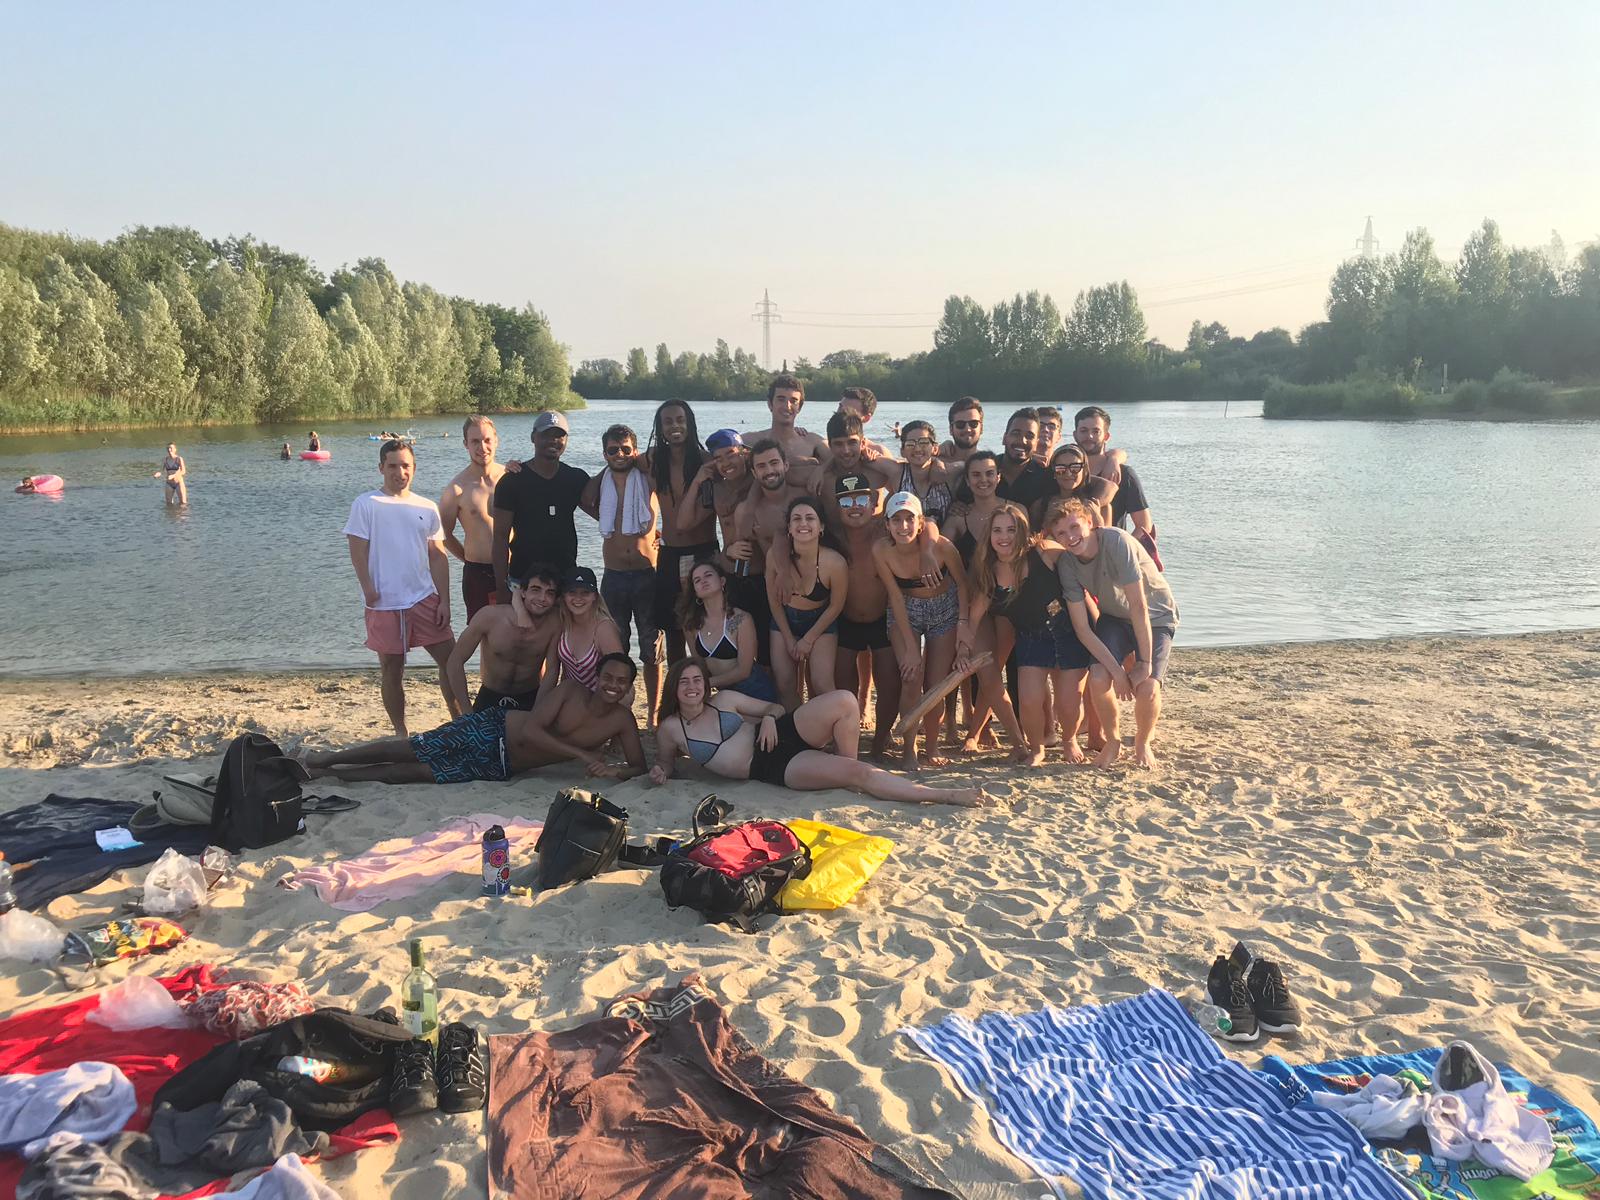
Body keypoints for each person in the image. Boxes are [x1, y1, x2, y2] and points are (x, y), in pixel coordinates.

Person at [650, 659, 988, 805]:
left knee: (845, 700)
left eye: (697, 680)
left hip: (783, 730)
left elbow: (775, 708)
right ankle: (944, 794)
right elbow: (666, 763)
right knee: (859, 773)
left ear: (705, 683)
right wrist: (660, 772)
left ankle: (843, 766)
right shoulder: (670, 729)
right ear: (674, 688)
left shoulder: (724, 699)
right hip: (771, 766)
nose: (692, 687)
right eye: (684, 682)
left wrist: (767, 719)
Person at [303, 653, 646, 784]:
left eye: (621, 681)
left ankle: (332, 776)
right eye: (608, 677)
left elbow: (638, 766)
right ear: (596, 677)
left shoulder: (622, 720)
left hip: (502, 766)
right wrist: (583, 754)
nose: (613, 686)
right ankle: (328, 758)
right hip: (492, 728)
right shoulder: (570, 691)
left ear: (630, 686)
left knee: (415, 773)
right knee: (412, 749)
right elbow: (532, 730)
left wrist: (614, 771)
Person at [1051, 497, 1179, 769]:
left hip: (1156, 616)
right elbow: (1082, 629)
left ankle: (1143, 743)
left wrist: (1144, 662)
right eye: (1061, 533)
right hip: (1114, 617)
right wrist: (1118, 672)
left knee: (1148, 686)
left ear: (1089, 522)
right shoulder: (1067, 564)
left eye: (1074, 527)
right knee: (1099, 677)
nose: (1070, 537)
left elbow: (1139, 605)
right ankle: (1113, 740)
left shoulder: (1116, 542)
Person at [343, 439, 459, 736]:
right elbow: (357, 550)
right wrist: (368, 588)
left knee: (451, 661)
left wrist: (445, 600)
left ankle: (459, 721)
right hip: (384, 602)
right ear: (381, 468)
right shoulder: (366, 504)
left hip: (423, 597)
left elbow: (437, 556)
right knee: (392, 669)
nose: (400, 472)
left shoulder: (427, 507)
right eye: (393, 466)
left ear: (414, 468)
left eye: (405, 466)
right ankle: (400, 732)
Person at [967, 501, 1085, 765]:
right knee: (1029, 700)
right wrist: (963, 648)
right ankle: (1036, 748)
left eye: (1011, 529)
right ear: (989, 535)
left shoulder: (1044, 552)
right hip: (1031, 637)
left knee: (1068, 702)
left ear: (1022, 531)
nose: (1005, 537)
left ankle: (1069, 740)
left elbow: (1082, 561)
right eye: (998, 530)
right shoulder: (989, 570)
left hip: (1066, 631)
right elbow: (974, 617)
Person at [873, 492, 970, 770]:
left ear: (920, 523)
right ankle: (909, 749)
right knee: (911, 678)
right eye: (896, 520)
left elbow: (963, 585)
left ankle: (932, 746)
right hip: (906, 609)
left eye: (909, 519)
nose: (903, 526)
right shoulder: (881, 550)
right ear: (887, 524)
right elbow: (894, 596)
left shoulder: (942, 547)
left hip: (944, 608)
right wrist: (911, 649)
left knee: (936, 685)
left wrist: (963, 625)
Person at [581, 423, 662, 717]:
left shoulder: (648, 479)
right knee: (616, 648)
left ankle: (652, 713)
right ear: (604, 453)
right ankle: (616, 709)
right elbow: (583, 500)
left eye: (626, 449)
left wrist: (638, 461)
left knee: (652, 649)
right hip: (613, 576)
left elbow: (662, 463)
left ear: (635, 450)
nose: (619, 455)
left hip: (647, 574)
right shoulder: (600, 484)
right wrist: (605, 518)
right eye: (613, 450)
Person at [642, 400, 719, 666]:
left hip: (703, 551)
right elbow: (619, 460)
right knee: (673, 628)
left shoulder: (706, 461)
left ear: (690, 423)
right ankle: (678, 681)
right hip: (669, 553)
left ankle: (711, 679)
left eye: (680, 420)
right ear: (660, 427)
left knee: (707, 622)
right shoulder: (653, 460)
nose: (674, 426)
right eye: (668, 421)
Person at [833, 474, 900, 759]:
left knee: (890, 682)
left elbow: (898, 481)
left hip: (882, 619)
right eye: (846, 501)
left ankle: (881, 738)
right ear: (836, 507)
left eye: (861, 499)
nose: (854, 507)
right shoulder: (832, 537)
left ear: (874, 504)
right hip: (845, 619)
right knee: (842, 684)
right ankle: (846, 736)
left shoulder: (885, 532)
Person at [492, 411, 589, 600]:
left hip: (565, 579)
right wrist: (501, 588)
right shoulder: (511, 481)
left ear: (566, 440)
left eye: (559, 435)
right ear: (533, 437)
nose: (553, 440)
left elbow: (604, 513)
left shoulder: (576, 478)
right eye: (546, 435)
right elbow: (500, 537)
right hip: (522, 580)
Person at [766, 495, 848, 709]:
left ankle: (830, 728)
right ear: (789, 528)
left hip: (821, 622)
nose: (803, 523)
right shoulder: (774, 557)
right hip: (784, 620)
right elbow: (773, 602)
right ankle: (796, 726)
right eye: (797, 519)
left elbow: (836, 606)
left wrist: (808, 640)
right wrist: (788, 638)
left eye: (810, 518)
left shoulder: (835, 562)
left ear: (821, 527)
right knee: (785, 683)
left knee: (822, 683)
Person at [444, 568, 562, 714]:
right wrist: (466, 709)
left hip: (530, 697)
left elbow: (552, 671)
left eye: (550, 593)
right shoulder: (490, 617)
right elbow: (455, 661)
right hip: (490, 695)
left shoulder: (554, 625)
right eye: (535, 590)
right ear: (522, 592)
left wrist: (538, 710)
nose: (542, 598)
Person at [679, 558, 778, 703]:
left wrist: (707, 683)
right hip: (723, 694)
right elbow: (700, 665)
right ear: (695, 591)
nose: (703, 581)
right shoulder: (692, 624)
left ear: (722, 581)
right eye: (697, 580)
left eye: (708, 575)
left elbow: (744, 671)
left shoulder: (739, 619)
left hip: (753, 690)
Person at [440, 416, 508, 621]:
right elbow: (443, 535)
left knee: (524, 630)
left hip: (515, 569)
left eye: (487, 440)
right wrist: (467, 558)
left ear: (496, 441)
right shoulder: (456, 489)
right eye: (475, 441)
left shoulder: (511, 478)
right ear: (466, 444)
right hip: (479, 573)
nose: (482, 447)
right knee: (484, 633)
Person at [540, 566, 625, 698]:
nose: (578, 598)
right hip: (569, 697)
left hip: (599, 697)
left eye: (585, 593)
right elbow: (552, 671)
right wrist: (540, 704)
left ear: (595, 596)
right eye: (572, 592)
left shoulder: (603, 629)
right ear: (564, 596)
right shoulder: (562, 623)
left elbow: (620, 674)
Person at [812, 410, 901, 534]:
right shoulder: (823, 481)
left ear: (862, 443)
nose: (846, 450)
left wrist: (876, 461)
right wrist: (821, 468)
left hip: (876, 540)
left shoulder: (877, 473)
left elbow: (903, 474)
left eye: (852, 442)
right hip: (836, 542)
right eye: (838, 444)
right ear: (830, 446)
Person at [1073, 406, 1151, 539]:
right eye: (1084, 431)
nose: (1089, 436)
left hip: (1111, 546)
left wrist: (1121, 548)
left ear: (1106, 436)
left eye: (1096, 431)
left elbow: (1144, 526)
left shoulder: (1125, 474)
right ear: (1075, 435)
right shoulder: (1066, 472)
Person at [1033, 442, 1117, 530]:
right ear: (1053, 472)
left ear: (1084, 470)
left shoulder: (1100, 507)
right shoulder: (1040, 507)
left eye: (1075, 467)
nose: (1068, 473)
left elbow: (1106, 537)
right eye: (1060, 468)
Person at [747, 373, 827, 462]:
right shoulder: (751, 441)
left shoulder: (813, 443)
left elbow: (838, 454)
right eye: (781, 400)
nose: (787, 406)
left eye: (793, 401)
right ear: (770, 404)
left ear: (799, 407)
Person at [894, 420, 958, 527]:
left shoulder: (947, 473)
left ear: (935, 448)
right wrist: (868, 452)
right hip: (905, 535)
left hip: (943, 536)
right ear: (902, 451)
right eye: (910, 444)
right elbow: (871, 459)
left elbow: (970, 464)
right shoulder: (897, 473)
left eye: (924, 442)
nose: (917, 449)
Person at [994, 409, 1053, 510]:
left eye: (1030, 436)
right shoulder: (986, 470)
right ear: (1004, 438)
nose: (1022, 441)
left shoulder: (1046, 478)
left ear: (1036, 443)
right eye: (1016, 433)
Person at [836, 387, 892, 459]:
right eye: (840, 407)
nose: (840, 413)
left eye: (848, 411)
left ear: (866, 418)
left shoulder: (879, 452)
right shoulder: (824, 447)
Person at [939, 397, 984, 464]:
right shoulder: (934, 463)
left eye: (973, 423)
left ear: (981, 428)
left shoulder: (990, 464)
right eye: (960, 424)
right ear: (951, 429)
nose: (967, 429)